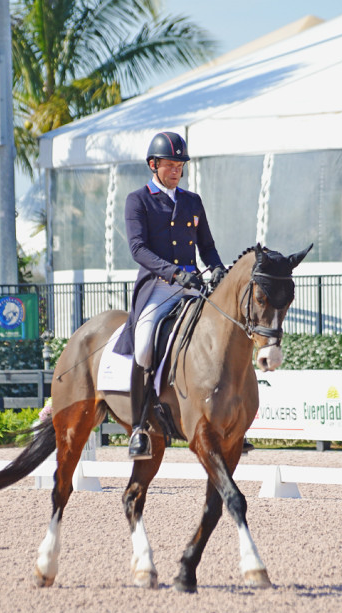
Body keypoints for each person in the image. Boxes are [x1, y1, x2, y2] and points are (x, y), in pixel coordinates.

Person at [114, 131, 226, 459]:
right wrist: (175, 273)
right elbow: (138, 249)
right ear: (154, 165)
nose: (177, 170)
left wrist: (218, 268)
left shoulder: (192, 202)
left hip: (192, 285)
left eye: (180, 165)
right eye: (170, 164)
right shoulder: (139, 200)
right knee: (145, 343)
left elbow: (207, 246)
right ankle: (137, 427)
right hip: (158, 286)